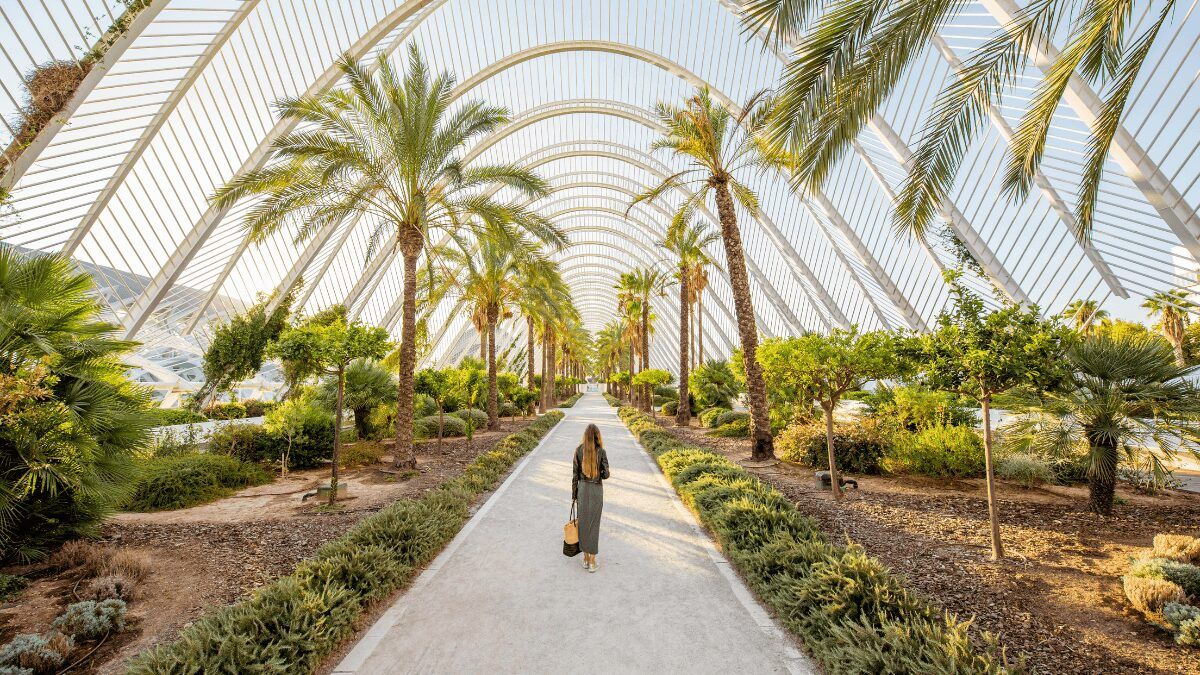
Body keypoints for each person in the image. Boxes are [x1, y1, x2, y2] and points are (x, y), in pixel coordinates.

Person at [572, 423, 610, 572]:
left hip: (582, 489)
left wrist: (574, 496)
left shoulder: (578, 450)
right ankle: (593, 562)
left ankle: (586, 559)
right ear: (597, 436)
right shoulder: (601, 451)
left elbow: (575, 476)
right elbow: (606, 474)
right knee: (594, 525)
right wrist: (600, 471)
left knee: (583, 524)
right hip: (596, 490)